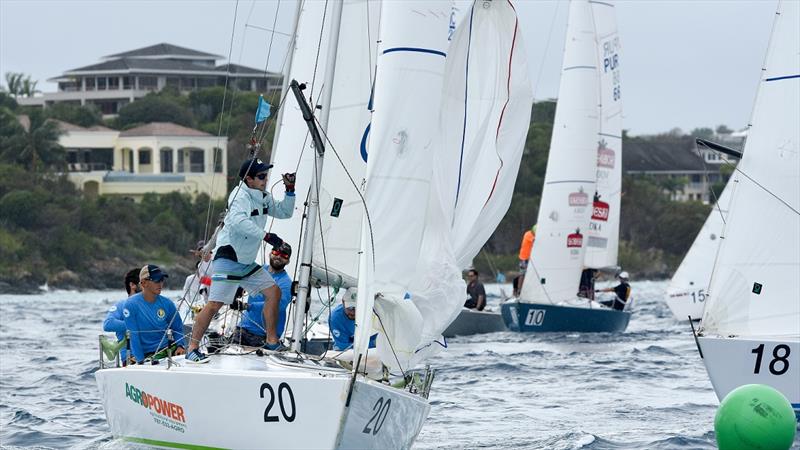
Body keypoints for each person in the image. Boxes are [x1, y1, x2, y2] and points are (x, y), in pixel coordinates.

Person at [185, 158, 296, 363]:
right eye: (261, 176)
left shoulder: (263, 196)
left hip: (245, 262)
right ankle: (192, 348)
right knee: (214, 304)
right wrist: (267, 236)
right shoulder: (239, 195)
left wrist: (290, 191)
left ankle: (272, 341)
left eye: (266, 176)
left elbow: (284, 212)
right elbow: (238, 222)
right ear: (249, 179)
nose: (265, 179)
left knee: (274, 292)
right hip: (229, 256)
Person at [230, 242, 294, 347]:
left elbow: (278, 306)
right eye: (276, 252)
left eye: (284, 255)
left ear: (288, 261)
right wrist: (238, 288)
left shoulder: (286, 283)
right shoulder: (260, 270)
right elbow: (244, 279)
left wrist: (247, 306)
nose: (278, 256)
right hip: (243, 329)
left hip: (264, 336)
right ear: (270, 253)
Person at [122, 265, 186, 363]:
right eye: (156, 280)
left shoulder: (168, 303)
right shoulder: (130, 304)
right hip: (146, 354)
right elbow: (133, 335)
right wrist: (140, 361)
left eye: (162, 280)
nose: (160, 284)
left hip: (168, 349)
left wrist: (180, 345)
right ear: (143, 283)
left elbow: (177, 328)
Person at [102, 268, 140, 363]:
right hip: (131, 358)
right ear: (132, 285)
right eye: (143, 282)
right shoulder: (121, 305)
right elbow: (108, 324)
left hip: (157, 353)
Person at [514, 225, 536, 296]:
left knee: (529, 274)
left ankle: (528, 290)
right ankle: (519, 290)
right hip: (524, 258)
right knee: (522, 274)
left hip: (530, 258)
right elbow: (535, 240)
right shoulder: (528, 234)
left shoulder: (531, 234)